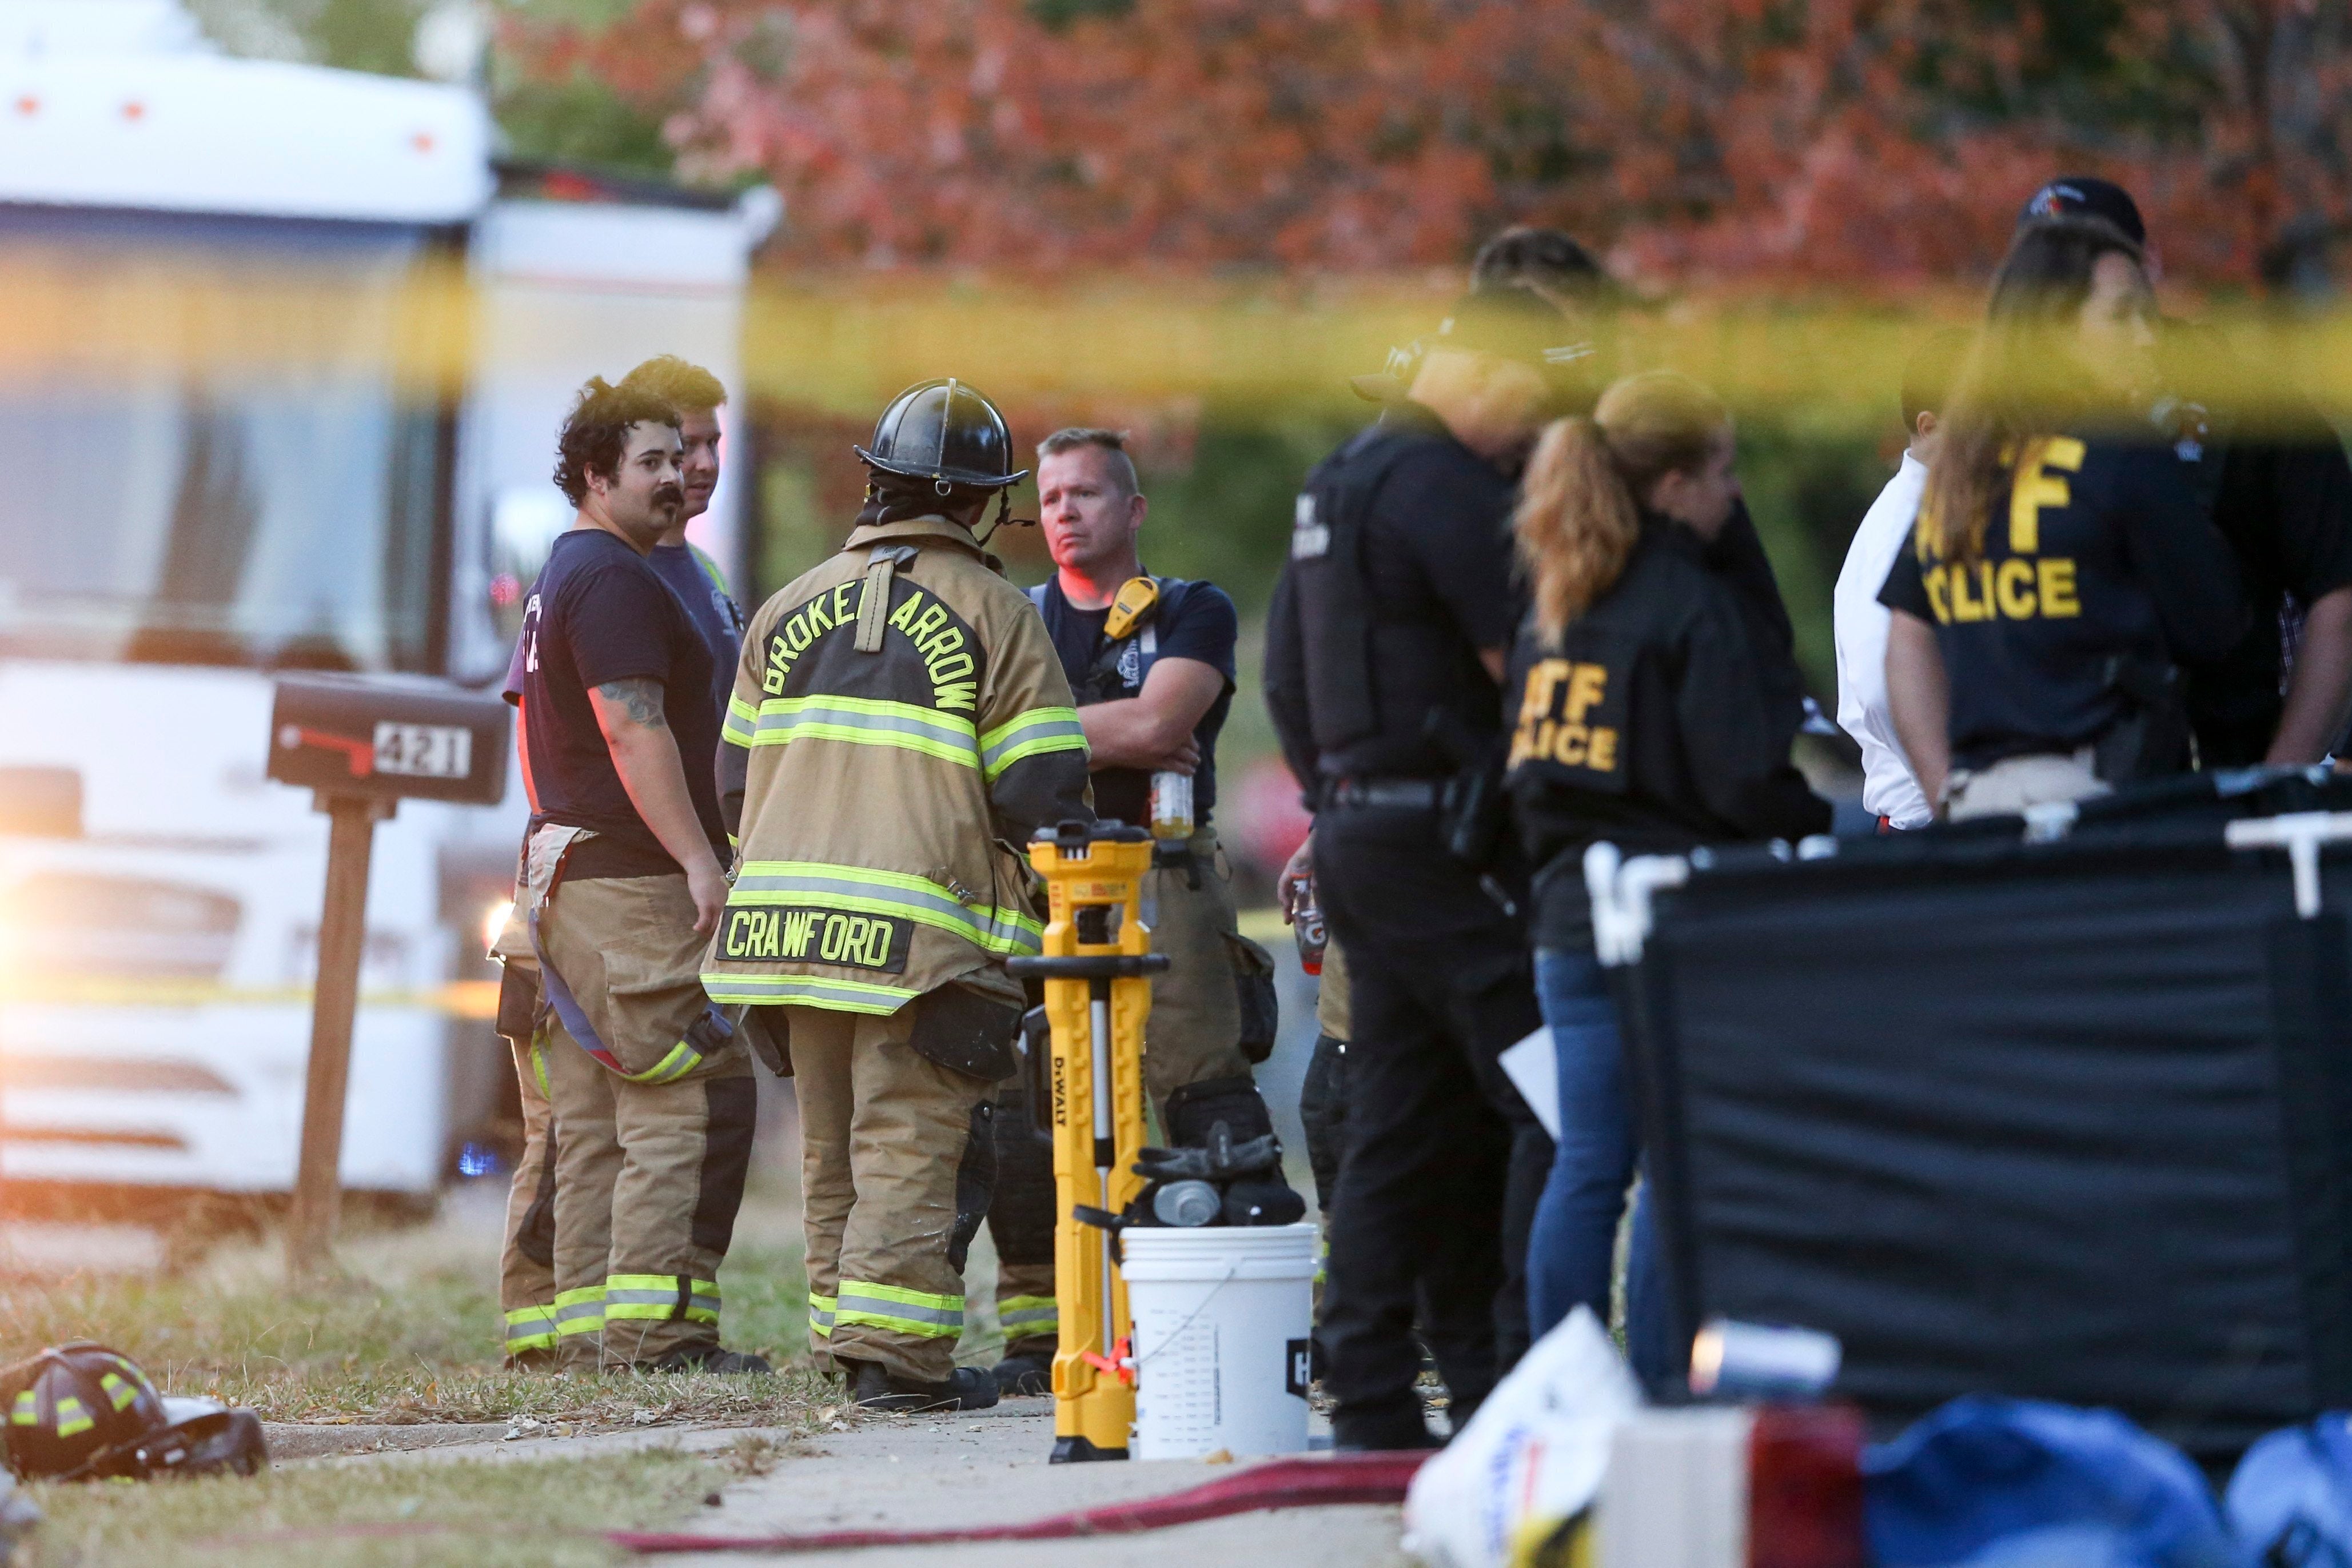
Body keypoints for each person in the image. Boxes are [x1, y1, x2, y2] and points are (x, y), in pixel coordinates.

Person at [701, 378, 1093, 1413]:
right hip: (922, 937)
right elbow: (1042, 788)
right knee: (909, 1138)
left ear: (876, 482)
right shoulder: (996, 611)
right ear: (982, 501)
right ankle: (898, 1361)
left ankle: (846, 1336)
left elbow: (733, 783)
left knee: (830, 1144)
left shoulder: (785, 605)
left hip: (782, 937)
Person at [1264, 284, 1572, 1451]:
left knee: (1396, 1120)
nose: (1522, 431)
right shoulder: (1444, 485)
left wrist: (1330, 797)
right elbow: (1524, 670)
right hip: (1438, 846)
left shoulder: (1335, 481)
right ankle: (1536, 1361)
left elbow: (1289, 674)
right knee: (1552, 1095)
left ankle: (1381, 1396)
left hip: (1358, 833)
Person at [1504, 372, 1830, 1384]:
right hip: (1666, 916)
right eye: (1720, 472)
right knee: (1668, 1176)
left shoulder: (1557, 596)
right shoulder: (1688, 600)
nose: (1731, 496)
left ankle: (1558, 1387)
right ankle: (1652, 1391)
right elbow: (1738, 774)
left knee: (1586, 1163)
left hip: (1565, 913)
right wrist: (1816, 822)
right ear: (1675, 481)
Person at [980, 427, 1295, 1397]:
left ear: (1132, 509)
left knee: (1201, 1082)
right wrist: (1104, 735)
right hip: (1037, 879)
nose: (1063, 511)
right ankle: (1044, 1330)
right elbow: (968, 737)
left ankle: (1234, 1287)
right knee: (1036, 1098)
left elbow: (1161, 723)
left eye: (1084, 492)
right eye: (1050, 496)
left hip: (1164, 876)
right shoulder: (1016, 616)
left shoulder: (1189, 609)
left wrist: (1036, 735)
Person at [501, 377, 764, 1374]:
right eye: (652, 460)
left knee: (591, 1120)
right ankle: (650, 1336)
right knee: (668, 1104)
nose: (677, 475)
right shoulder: (612, 577)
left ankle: (584, 1330)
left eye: (683, 456)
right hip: (625, 882)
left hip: (569, 880)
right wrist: (702, 857)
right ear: (596, 472)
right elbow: (629, 721)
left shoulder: (573, 570)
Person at [1881, 218, 2248, 819]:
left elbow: (1904, 638)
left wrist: (1944, 791)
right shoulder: (2124, 454)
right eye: (2122, 315)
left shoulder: (1965, 463)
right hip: (2103, 809)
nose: (2146, 338)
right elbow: (2215, 628)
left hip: (1983, 810)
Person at [2020, 176, 2352, 767]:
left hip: (2215, 776)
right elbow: (1912, 617)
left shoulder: (2248, 404)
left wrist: (2282, 773)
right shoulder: (1995, 421)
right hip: (2053, 791)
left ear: (2145, 264)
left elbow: (2339, 593)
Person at [1832, 329, 1972, 830]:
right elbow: (1882, 687)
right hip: (1930, 821)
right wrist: (1954, 797)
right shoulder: (1899, 532)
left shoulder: (1951, 513)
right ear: (1931, 427)